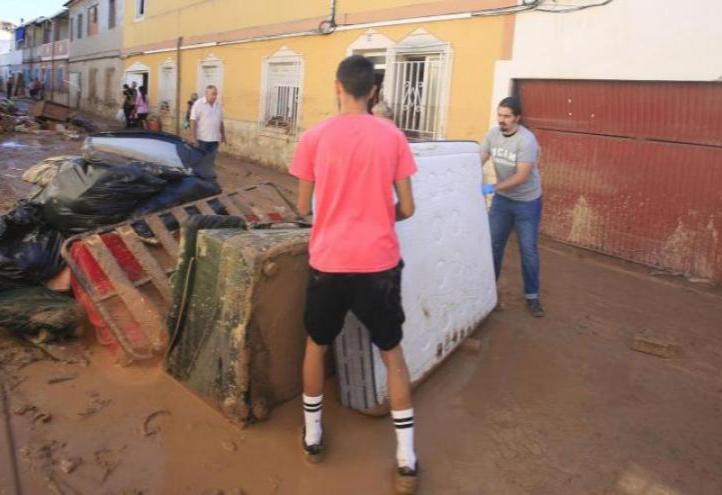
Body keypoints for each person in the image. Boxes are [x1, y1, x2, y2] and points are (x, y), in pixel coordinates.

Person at [290, 55, 419, 494]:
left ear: (337, 86)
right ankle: (406, 458)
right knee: (393, 355)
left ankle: (312, 437)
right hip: (379, 265)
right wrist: (380, 216)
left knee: (316, 345)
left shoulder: (314, 137)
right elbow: (408, 207)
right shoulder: (393, 136)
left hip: (328, 262)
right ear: (374, 91)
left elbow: (302, 208)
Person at [480, 96, 544, 317]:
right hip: (502, 202)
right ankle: (488, 292)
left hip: (527, 202)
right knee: (493, 245)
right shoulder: (492, 135)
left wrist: (492, 187)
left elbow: (522, 175)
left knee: (527, 249)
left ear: (517, 118)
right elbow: (478, 158)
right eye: (500, 115)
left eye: (507, 116)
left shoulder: (527, 140)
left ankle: (532, 296)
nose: (502, 120)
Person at [189, 85, 225, 155]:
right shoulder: (198, 104)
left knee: (211, 160)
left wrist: (223, 136)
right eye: (213, 94)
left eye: (216, 94)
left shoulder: (217, 105)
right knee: (201, 160)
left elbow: (220, 121)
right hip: (202, 140)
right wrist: (193, 138)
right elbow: (193, 121)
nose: (215, 96)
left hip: (214, 140)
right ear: (206, 94)